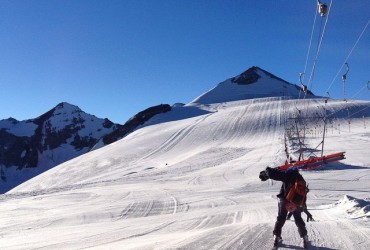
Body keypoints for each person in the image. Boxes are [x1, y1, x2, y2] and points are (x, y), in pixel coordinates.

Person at [259, 167, 308, 248]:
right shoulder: (300, 177)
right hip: (297, 202)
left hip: (285, 200)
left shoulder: (287, 175)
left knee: (281, 218)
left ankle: (276, 236)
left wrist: (267, 170)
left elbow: (272, 174)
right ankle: (304, 237)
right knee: (298, 219)